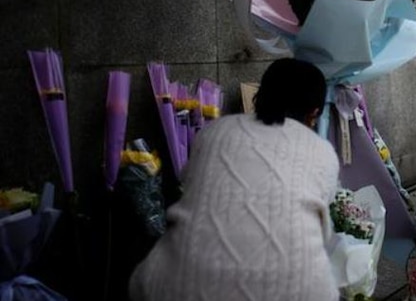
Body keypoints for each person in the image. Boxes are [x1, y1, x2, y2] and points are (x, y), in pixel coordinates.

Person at [128, 58, 340, 301]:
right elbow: (323, 231)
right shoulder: (322, 151)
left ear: (262, 93)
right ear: (314, 112)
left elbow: (187, 182)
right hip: (293, 290)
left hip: (172, 286)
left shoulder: (214, 132)